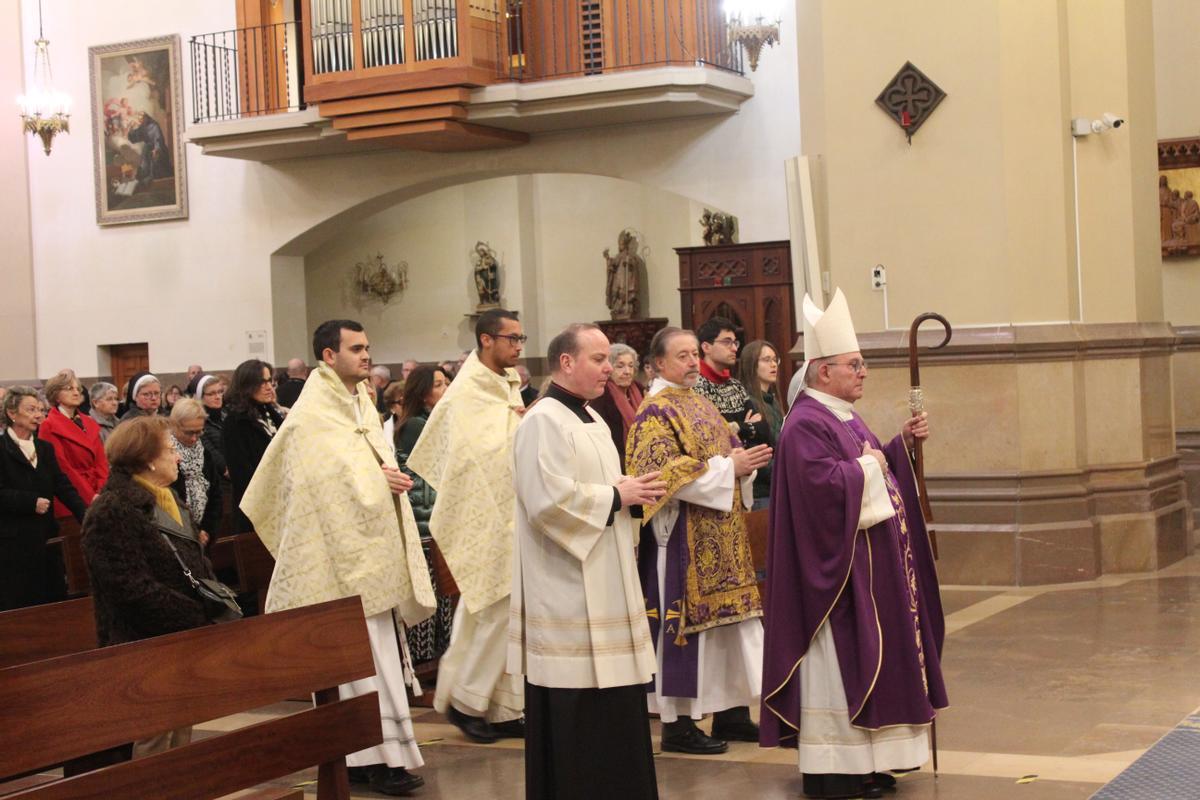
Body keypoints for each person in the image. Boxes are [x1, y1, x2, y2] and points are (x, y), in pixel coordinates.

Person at [761, 290, 947, 800]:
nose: (863, 372)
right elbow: (822, 490)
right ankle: (835, 770)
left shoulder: (840, 413)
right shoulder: (804, 424)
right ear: (823, 372)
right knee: (839, 669)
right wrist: (872, 464)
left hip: (864, 573)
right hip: (834, 585)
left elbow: (868, 462)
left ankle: (865, 762)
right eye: (854, 364)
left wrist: (899, 446)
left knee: (873, 663)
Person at [241, 319, 434, 796]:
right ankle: (367, 755)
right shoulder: (313, 415)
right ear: (329, 356)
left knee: (379, 656)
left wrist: (388, 477)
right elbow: (314, 485)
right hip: (338, 563)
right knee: (357, 660)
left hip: (371, 552)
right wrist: (377, 481)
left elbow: (367, 464)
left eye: (368, 347)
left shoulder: (359, 402)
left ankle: (376, 755)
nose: (367, 355)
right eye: (356, 348)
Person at [511, 324, 666, 799]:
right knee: (578, 708)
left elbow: (608, 485)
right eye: (598, 359)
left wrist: (633, 492)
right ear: (566, 363)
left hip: (606, 580)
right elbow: (545, 501)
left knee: (616, 707)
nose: (609, 368)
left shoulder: (592, 419)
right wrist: (616, 496)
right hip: (567, 593)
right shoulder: (542, 420)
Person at [625, 327, 772, 755]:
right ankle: (678, 724)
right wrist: (730, 467)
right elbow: (662, 473)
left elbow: (728, 454)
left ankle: (731, 711)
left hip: (725, 535)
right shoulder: (653, 413)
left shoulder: (701, 403)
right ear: (658, 364)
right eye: (683, 356)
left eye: (694, 355)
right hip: (683, 539)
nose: (692, 362)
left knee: (732, 628)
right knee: (684, 629)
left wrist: (744, 467)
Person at [407, 308, 528, 743]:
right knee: (496, 608)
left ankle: (502, 706)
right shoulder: (464, 395)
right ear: (485, 340)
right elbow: (459, 458)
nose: (518, 346)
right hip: (480, 514)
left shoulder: (506, 385)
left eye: (521, 338)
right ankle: (467, 702)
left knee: (497, 612)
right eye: (510, 338)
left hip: (511, 510)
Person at [81, 416, 214, 757]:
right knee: (154, 740)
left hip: (181, 637)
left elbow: (193, 561)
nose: (178, 457)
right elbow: (129, 587)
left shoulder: (168, 499)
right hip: (142, 643)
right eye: (171, 450)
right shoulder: (112, 510)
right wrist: (194, 611)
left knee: (180, 733)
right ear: (148, 459)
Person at [0, 386, 86, 610]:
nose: (38, 415)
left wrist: (85, 514)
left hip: (46, 537)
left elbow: (62, 485)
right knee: (20, 604)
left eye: (40, 410)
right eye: (31, 409)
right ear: (11, 413)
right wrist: (29, 502)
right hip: (13, 542)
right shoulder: (1, 449)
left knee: (52, 600)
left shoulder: (44, 448)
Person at [393, 364, 454, 668]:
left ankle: (441, 653)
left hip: (433, 518)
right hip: (423, 521)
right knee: (431, 591)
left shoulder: (429, 421)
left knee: (443, 591)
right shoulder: (417, 424)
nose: (446, 390)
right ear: (424, 393)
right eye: (440, 385)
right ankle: (425, 656)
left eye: (447, 383)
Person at [693, 317, 771, 456]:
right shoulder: (695, 388)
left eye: (735, 342)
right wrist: (746, 427)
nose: (734, 348)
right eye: (727, 342)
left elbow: (764, 430)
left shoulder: (736, 386)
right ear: (706, 347)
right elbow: (710, 436)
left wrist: (736, 427)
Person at [37, 370, 109, 519]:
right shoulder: (49, 425)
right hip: (72, 498)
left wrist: (102, 490)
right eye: (69, 389)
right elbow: (63, 468)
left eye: (78, 389)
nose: (76, 393)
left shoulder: (89, 422)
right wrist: (90, 496)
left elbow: (101, 461)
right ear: (56, 394)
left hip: (99, 492)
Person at [222, 360, 283, 533]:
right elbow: (241, 474)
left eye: (269, 381)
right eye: (261, 382)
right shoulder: (235, 422)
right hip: (257, 508)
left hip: (282, 501)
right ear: (247, 385)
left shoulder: (271, 414)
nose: (268, 387)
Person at [737, 340, 785, 509]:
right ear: (751, 364)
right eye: (766, 360)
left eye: (775, 360)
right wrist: (787, 475)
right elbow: (757, 452)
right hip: (761, 493)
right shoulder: (748, 402)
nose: (773, 365)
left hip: (776, 488)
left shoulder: (772, 401)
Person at [169, 399, 222, 547]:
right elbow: (168, 500)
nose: (194, 438)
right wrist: (191, 532)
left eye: (199, 432)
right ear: (174, 425)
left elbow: (215, 494)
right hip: (177, 536)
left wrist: (207, 530)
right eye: (188, 432)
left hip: (204, 535)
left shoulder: (205, 453)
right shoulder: (165, 454)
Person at [587, 342, 644, 469]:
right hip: (615, 462)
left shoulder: (640, 390)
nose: (627, 372)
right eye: (620, 366)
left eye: (631, 366)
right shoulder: (601, 395)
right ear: (609, 368)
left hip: (644, 458)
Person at [189, 373, 227, 475]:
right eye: (211, 394)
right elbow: (210, 452)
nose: (218, 397)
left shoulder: (226, 415)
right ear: (200, 397)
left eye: (220, 392)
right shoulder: (198, 422)